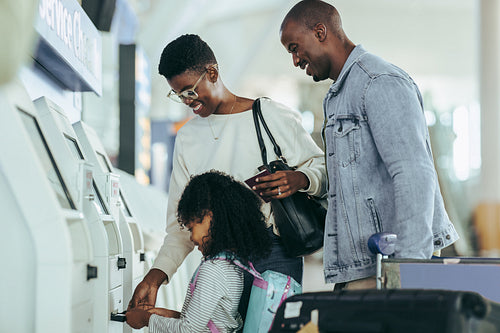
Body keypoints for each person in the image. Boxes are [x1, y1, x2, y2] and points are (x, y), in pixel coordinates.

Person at [128, 34, 326, 317]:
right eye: (179, 94)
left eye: (190, 91)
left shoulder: (270, 116)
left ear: (213, 72)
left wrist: (300, 179)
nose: (187, 101)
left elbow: (323, 170)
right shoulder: (187, 138)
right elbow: (180, 226)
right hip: (216, 261)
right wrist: (155, 276)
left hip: (275, 254)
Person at [279, 0, 459, 290]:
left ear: (320, 32)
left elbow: (413, 173)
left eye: (294, 47)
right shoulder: (337, 96)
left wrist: (408, 267)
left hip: (389, 261)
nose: (295, 60)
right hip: (362, 262)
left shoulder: (379, 81)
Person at [126, 170, 273, 332]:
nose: (191, 238)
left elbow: (188, 330)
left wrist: (147, 319)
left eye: (191, 228)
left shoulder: (213, 270)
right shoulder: (232, 265)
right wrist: (167, 315)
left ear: (209, 218)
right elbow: (210, 323)